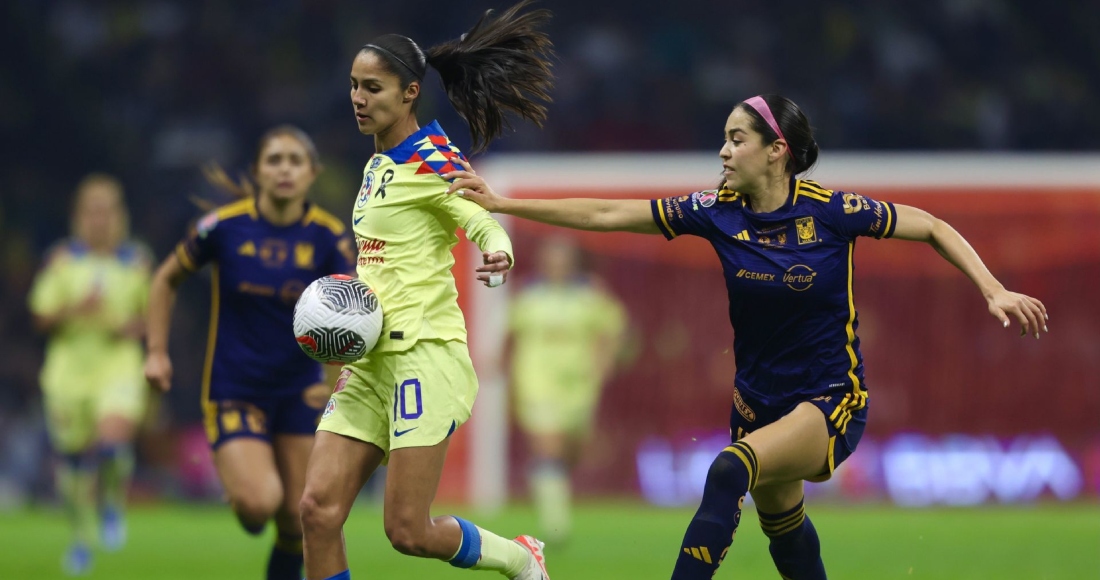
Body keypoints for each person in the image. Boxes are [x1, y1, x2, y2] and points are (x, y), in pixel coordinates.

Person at [443, 94, 1049, 579]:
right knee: (782, 524)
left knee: (730, 470)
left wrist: (993, 289)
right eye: (725, 139)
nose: (724, 152)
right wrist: (504, 205)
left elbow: (933, 227)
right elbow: (608, 214)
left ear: (776, 151)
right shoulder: (716, 209)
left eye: (737, 139)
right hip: (755, 401)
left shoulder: (832, 210)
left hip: (829, 397)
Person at [297, 2, 555, 580]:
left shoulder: (432, 158)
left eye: (374, 88)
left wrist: (499, 250)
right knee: (317, 510)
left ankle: (520, 558)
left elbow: (482, 214)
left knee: (407, 531)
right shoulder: (376, 164)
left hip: (424, 355)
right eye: (354, 87)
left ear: (410, 93)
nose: (359, 99)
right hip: (368, 361)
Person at [143, 126, 355, 580]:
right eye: (274, 159)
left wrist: (333, 382)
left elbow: (350, 312)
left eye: (295, 160)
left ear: (312, 173)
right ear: (257, 171)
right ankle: (243, 486)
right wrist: (157, 352)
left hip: (298, 391)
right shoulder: (223, 227)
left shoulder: (328, 237)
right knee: (260, 505)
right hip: (234, 388)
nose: (284, 169)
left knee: (298, 521)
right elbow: (164, 280)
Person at [28, 173, 152, 575]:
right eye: (92, 211)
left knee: (113, 438)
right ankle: (81, 540)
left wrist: (130, 327)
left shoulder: (136, 261)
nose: (100, 219)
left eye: (107, 211)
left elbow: (154, 316)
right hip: (67, 373)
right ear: (79, 216)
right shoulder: (63, 260)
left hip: (118, 364)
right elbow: (40, 316)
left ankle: (113, 501)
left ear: (120, 215)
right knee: (74, 467)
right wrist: (75, 310)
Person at [506, 236, 625, 545]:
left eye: (563, 261)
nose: (557, 267)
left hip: (579, 383)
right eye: (551, 261)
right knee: (549, 445)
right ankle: (555, 524)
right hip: (536, 379)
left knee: (570, 450)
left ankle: (552, 492)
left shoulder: (591, 294)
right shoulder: (528, 295)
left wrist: (604, 362)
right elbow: (509, 334)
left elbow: (612, 329)